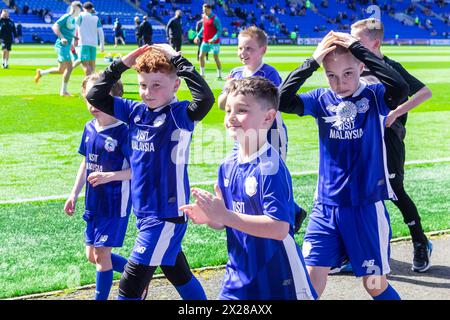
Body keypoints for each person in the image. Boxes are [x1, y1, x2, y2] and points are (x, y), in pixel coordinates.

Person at [278, 31, 409, 300]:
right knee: (309, 280)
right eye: (332, 75)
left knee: (374, 284)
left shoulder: (374, 95)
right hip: (325, 206)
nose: (340, 83)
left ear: (361, 67)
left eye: (348, 73)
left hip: (365, 206)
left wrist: (358, 49)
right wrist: (313, 61)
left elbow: (401, 88)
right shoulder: (320, 99)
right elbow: (281, 99)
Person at [86, 44, 214, 300]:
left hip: (166, 214)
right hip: (144, 212)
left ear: (175, 85)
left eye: (157, 85)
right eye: (143, 85)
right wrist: (122, 64)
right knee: (178, 273)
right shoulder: (135, 111)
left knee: (130, 286)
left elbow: (206, 99)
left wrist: (177, 59)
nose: (148, 92)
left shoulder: (180, 114)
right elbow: (95, 95)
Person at [180, 77, 317, 300]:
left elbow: (279, 228)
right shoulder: (227, 164)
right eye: (228, 110)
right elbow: (230, 220)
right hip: (238, 275)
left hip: (276, 279)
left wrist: (225, 215)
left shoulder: (270, 167)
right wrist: (213, 218)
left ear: (268, 117)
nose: (231, 117)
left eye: (241, 110)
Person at [351, 18, 433, 273]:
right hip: (361, 144)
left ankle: (421, 242)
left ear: (374, 43)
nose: (352, 44)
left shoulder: (390, 67)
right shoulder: (354, 68)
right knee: (358, 195)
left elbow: (424, 92)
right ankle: (355, 251)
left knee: (394, 191)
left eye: (358, 40)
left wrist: (396, 112)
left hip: (389, 142)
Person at [217, 26, 307, 232]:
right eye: (240, 48)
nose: (243, 53)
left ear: (263, 50)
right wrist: (230, 88)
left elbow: (275, 103)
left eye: (249, 48)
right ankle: (262, 216)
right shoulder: (235, 73)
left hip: (271, 135)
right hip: (245, 135)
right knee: (243, 174)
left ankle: (286, 217)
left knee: (271, 176)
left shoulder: (269, 73)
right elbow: (223, 103)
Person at [64, 73, 131, 300]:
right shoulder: (89, 128)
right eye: (89, 98)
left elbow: (139, 170)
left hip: (114, 203)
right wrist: (74, 193)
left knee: (102, 256)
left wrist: (110, 176)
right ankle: (137, 273)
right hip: (93, 202)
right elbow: (86, 162)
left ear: (117, 99)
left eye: (100, 98)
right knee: (92, 256)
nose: (93, 104)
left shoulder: (125, 131)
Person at [34, 1, 82, 96]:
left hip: (66, 46)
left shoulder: (73, 19)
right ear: (74, 8)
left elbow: (68, 31)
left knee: (61, 70)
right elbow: (55, 26)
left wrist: (74, 37)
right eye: (78, 8)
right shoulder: (66, 17)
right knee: (69, 67)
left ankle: (41, 72)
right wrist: (62, 37)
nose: (79, 10)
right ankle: (63, 91)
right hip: (62, 46)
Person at [75, 2, 104, 76]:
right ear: (92, 8)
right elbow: (101, 32)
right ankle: (91, 82)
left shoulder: (81, 16)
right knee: (92, 66)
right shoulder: (96, 18)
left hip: (83, 43)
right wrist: (102, 45)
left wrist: (73, 40)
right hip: (93, 44)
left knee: (85, 66)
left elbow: (74, 27)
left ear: (83, 8)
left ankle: (87, 83)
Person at [194, 4, 222, 79]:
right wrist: (197, 36)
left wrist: (213, 39)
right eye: (203, 10)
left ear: (210, 9)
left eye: (205, 10)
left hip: (214, 43)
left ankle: (219, 75)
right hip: (205, 41)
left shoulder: (215, 19)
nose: (204, 12)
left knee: (216, 58)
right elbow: (203, 28)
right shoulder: (204, 17)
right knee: (200, 56)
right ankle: (202, 74)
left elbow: (219, 31)